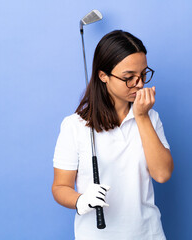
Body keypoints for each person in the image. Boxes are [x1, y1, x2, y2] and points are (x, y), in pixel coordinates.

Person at [51, 30, 174, 240]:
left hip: (149, 234)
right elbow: (60, 187)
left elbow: (162, 174)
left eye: (144, 74)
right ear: (103, 76)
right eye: (129, 78)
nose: (140, 84)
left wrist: (141, 116)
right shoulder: (75, 126)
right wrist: (80, 200)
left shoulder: (151, 118)